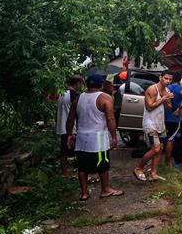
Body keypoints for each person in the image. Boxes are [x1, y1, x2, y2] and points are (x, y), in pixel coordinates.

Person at [66, 73, 123, 201]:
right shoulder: (105, 98)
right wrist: (114, 136)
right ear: (101, 85)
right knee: (102, 165)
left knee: (82, 167)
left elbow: (70, 119)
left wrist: (69, 135)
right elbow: (110, 118)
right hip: (98, 139)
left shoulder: (78, 98)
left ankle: (84, 193)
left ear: (86, 85)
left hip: (82, 138)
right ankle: (105, 189)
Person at [134, 70, 173, 182]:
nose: (168, 81)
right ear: (160, 77)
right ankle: (138, 168)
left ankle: (153, 174)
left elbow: (168, 108)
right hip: (150, 123)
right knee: (155, 148)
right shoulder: (152, 89)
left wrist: (168, 101)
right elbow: (149, 107)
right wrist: (163, 98)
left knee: (160, 149)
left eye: (170, 79)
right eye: (166, 78)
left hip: (160, 123)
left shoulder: (167, 90)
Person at [56, 75, 84, 178]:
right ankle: (82, 174)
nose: (81, 86)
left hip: (61, 127)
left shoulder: (61, 93)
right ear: (77, 83)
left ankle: (65, 174)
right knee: (79, 152)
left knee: (64, 151)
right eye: (81, 84)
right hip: (72, 128)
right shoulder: (75, 95)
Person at [163, 72, 182, 167]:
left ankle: (162, 160)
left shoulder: (166, 88)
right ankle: (168, 163)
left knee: (163, 138)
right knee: (171, 139)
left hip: (164, 117)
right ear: (180, 80)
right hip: (174, 118)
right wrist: (179, 108)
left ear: (172, 79)